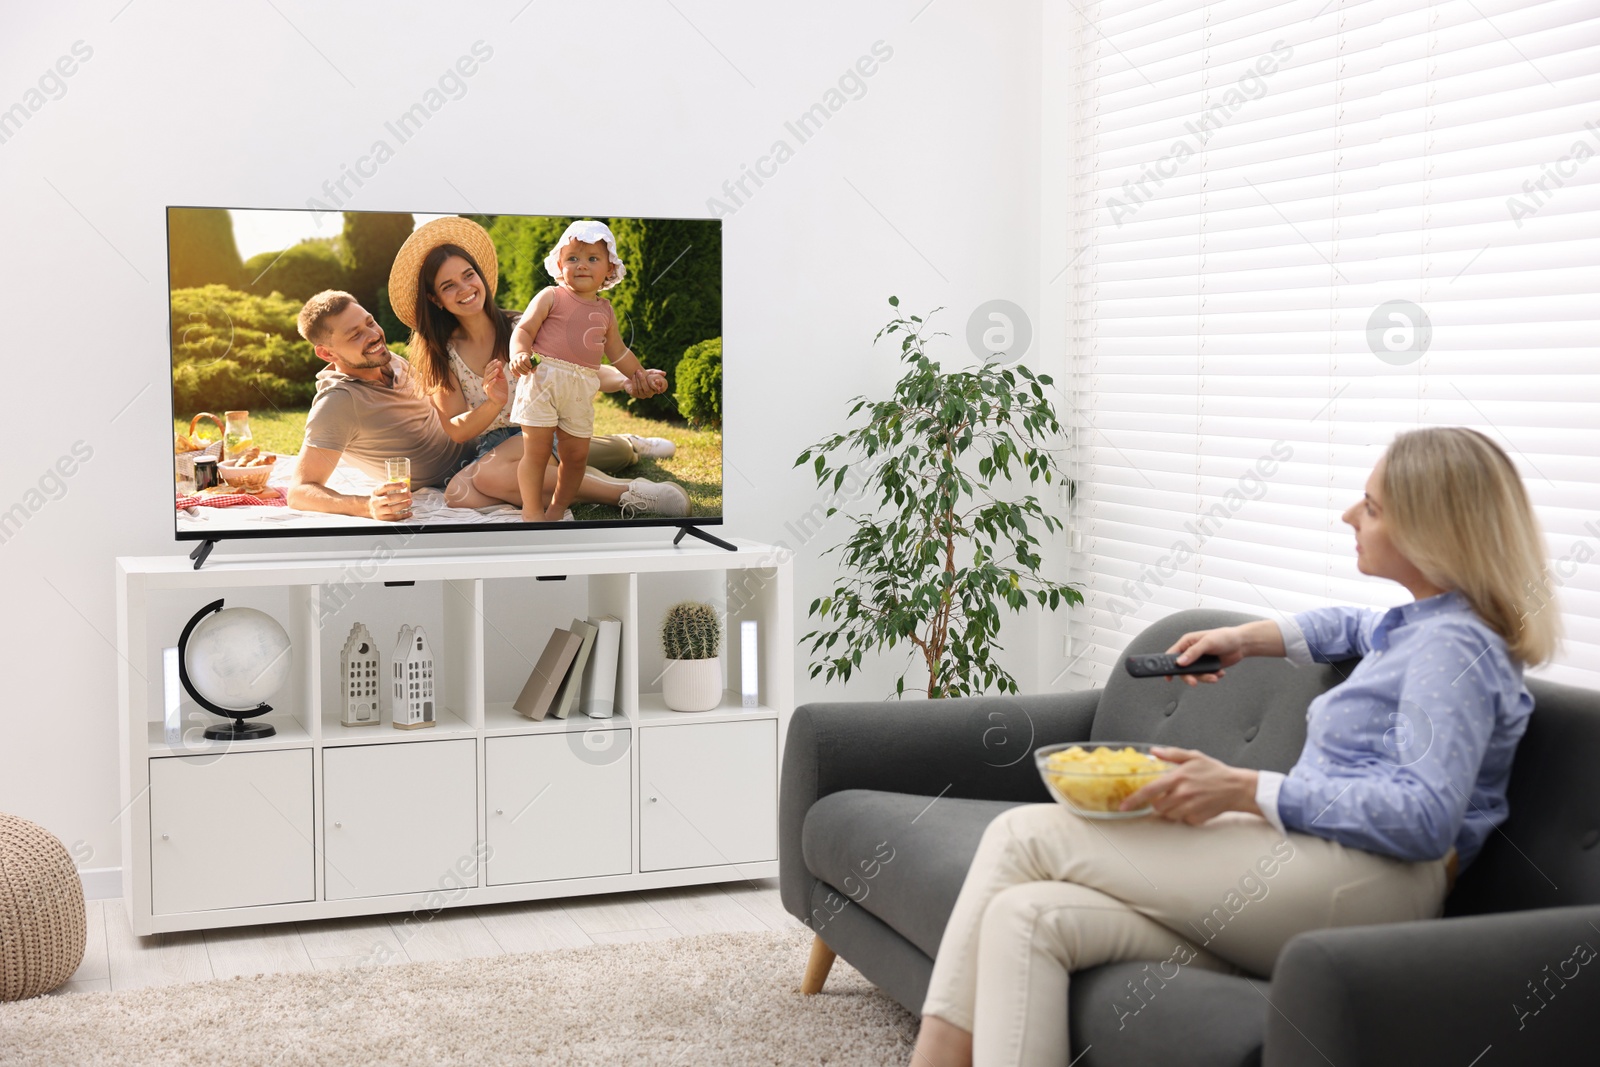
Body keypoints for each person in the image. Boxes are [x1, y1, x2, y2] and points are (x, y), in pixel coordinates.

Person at [912, 427, 1561, 1067]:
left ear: (1432, 532)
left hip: (1373, 884)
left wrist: (1248, 788)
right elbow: (1351, 626)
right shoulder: (1425, 625)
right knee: (1026, 916)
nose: (1348, 515)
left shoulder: (1453, 649)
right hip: (1329, 877)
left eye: (1372, 506)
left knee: (1023, 835)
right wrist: (1247, 639)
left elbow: (1424, 816)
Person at [385, 216, 690, 521]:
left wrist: (627, 381)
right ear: (434, 299)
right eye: (448, 286)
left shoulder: (522, 327)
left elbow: (582, 369)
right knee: (458, 493)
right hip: (496, 446)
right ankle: (595, 484)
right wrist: (494, 403)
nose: (465, 288)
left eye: (469, 275)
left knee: (491, 478)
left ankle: (627, 488)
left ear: (480, 276)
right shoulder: (443, 354)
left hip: (544, 430)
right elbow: (456, 428)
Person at [288, 289, 680, 521]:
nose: (373, 335)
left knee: (601, 452)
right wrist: (365, 505)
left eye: (369, 322)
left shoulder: (392, 361)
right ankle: (626, 478)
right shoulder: (337, 403)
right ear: (326, 352)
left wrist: (627, 379)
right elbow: (300, 490)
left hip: (494, 444)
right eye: (355, 335)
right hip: (480, 456)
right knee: (501, 476)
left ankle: (629, 450)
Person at [507, 220, 652, 523]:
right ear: (560, 264)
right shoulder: (551, 296)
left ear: (609, 270)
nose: (581, 265)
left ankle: (558, 508)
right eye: (572, 258)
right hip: (542, 382)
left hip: (581, 388)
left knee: (575, 457)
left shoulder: (605, 311)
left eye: (592, 259)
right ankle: (532, 510)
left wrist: (641, 375)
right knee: (537, 452)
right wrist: (519, 353)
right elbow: (524, 330)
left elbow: (619, 352)